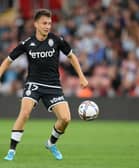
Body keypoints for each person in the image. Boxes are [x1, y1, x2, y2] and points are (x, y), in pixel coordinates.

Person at [0, 9, 88, 161]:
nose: (47, 26)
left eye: (49, 23)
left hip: (53, 86)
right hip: (33, 83)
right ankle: (11, 151)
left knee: (66, 119)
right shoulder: (27, 43)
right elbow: (8, 60)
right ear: (36, 24)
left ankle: (51, 143)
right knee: (25, 112)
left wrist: (81, 76)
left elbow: (72, 56)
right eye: (44, 23)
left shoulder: (57, 40)